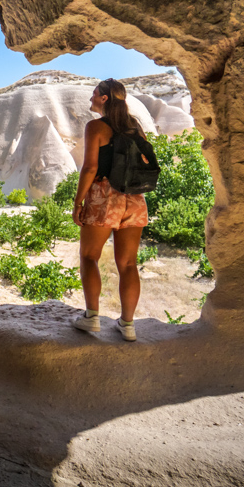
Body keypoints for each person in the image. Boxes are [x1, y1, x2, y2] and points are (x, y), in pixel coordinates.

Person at [70, 78, 149, 341]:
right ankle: (127, 325)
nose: (91, 98)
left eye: (94, 94)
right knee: (128, 264)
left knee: (89, 256)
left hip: (105, 196)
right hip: (135, 198)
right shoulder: (134, 126)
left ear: (104, 98)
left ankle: (92, 317)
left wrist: (78, 202)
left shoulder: (96, 127)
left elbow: (90, 168)